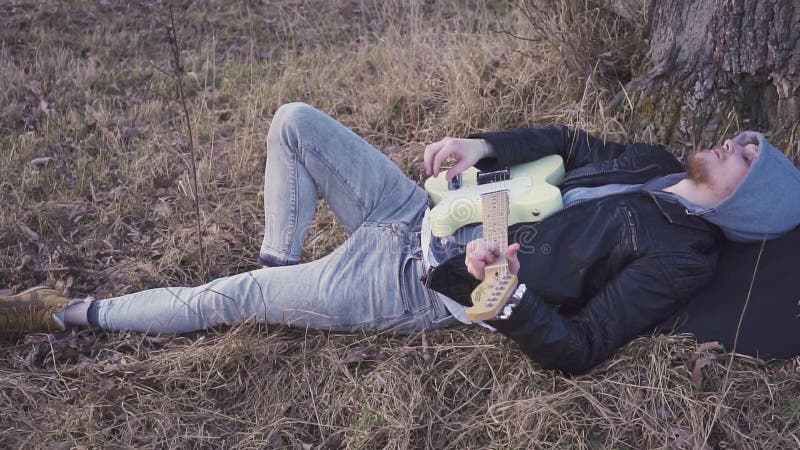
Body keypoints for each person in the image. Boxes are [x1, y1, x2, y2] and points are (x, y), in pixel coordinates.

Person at [2, 102, 799, 375]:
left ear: (750, 204)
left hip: (419, 281)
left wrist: (506, 295)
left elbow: (584, 343)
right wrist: (481, 147)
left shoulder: (681, 252)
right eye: (743, 139)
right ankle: (282, 275)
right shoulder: (658, 164)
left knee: (226, 297)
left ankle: (63, 313)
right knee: (293, 124)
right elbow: (573, 143)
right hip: (418, 208)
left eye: (748, 157)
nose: (735, 143)